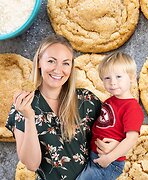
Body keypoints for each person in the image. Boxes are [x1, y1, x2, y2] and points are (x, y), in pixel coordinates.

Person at [6, 34, 117, 180]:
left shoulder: (86, 100)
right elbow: (32, 164)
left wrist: (113, 145)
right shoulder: (23, 106)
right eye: (51, 61)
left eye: (65, 63)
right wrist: (29, 117)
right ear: (39, 62)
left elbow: (116, 130)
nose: (58, 70)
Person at [76, 52, 144, 180]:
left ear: (131, 78)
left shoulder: (132, 108)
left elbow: (132, 139)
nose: (113, 82)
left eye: (118, 76)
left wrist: (109, 158)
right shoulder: (109, 101)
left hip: (110, 163)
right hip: (94, 154)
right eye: (107, 78)